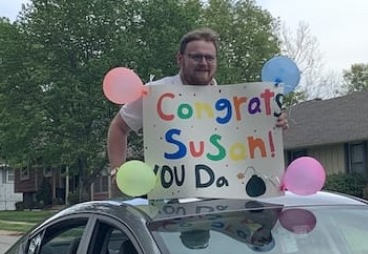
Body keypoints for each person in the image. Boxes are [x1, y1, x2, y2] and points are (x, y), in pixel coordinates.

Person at [106, 28, 290, 183]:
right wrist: (117, 169)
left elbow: (253, 146)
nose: (203, 63)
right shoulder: (155, 93)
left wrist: (272, 125)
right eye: (196, 57)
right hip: (169, 198)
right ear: (180, 59)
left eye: (209, 58)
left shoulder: (236, 104)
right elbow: (119, 127)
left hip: (225, 193)